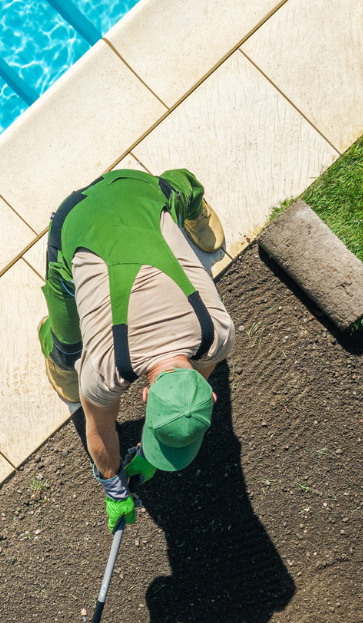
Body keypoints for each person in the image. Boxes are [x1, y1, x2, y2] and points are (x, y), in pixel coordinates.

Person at [38, 168, 234, 532]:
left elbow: (196, 379)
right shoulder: (105, 369)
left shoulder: (218, 334)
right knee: (67, 348)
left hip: (139, 196)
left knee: (173, 197)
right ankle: (52, 346)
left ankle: (190, 207)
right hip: (81, 217)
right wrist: (112, 486)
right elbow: (99, 429)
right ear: (144, 397)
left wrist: (143, 453)